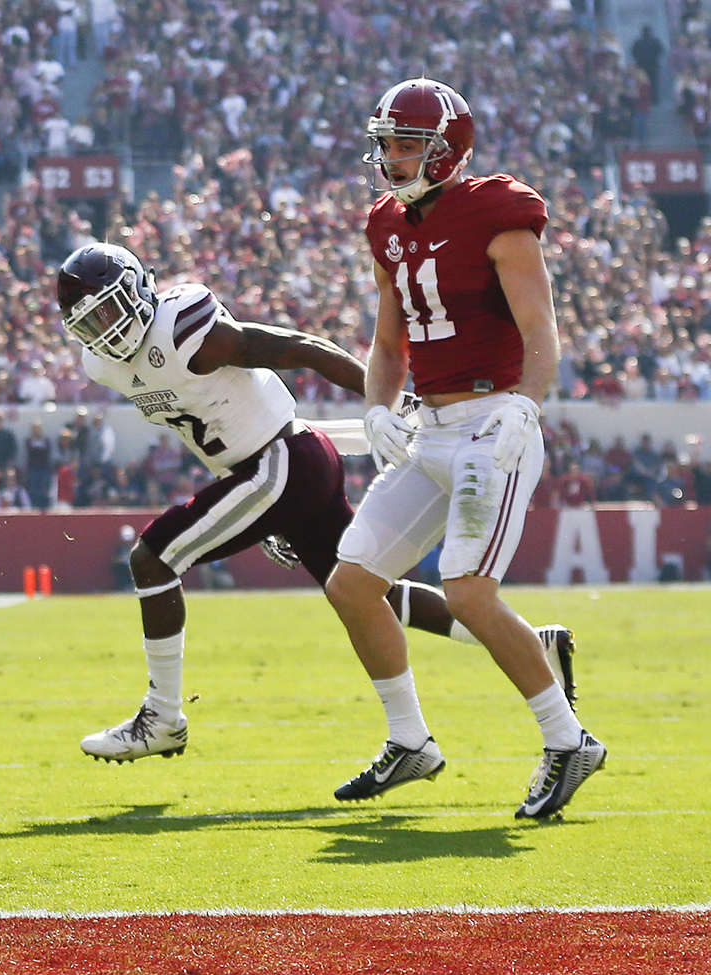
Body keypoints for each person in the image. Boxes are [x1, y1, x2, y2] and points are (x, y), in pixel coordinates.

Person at [55, 241, 565, 765]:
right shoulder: (105, 366)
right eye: (92, 324)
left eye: (112, 309)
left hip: (282, 461)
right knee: (368, 597)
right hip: (276, 472)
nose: (107, 330)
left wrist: (385, 403)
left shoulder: (183, 327)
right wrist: (264, 507)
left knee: (153, 557)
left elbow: (303, 348)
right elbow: (208, 418)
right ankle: (532, 647)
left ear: (140, 288)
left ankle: (162, 717)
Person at [324, 78, 604, 820]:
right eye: (385, 141)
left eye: (407, 142)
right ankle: (410, 741)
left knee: (468, 591)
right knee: (351, 583)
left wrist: (524, 405)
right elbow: (389, 342)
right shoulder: (385, 222)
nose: (391, 156)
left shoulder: (496, 209)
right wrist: (377, 409)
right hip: (430, 427)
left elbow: (541, 329)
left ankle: (568, 739)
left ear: (447, 149)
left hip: (492, 424)